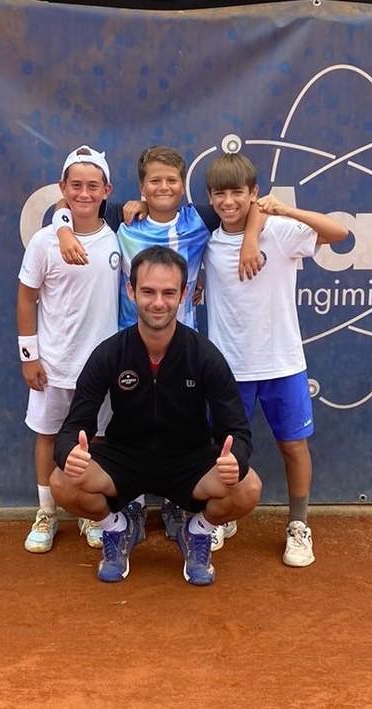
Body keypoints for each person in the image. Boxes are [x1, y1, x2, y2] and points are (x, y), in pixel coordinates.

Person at [51, 145, 264, 540]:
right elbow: (71, 206)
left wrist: (252, 238)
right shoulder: (120, 216)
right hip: (131, 342)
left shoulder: (200, 216)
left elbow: (255, 204)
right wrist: (63, 228)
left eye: (172, 180)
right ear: (141, 188)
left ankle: (185, 513)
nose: (163, 187)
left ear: (183, 187)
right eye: (155, 181)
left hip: (183, 345)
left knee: (191, 427)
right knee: (116, 429)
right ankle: (123, 511)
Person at [51, 246, 262, 585]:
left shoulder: (205, 356)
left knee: (248, 487)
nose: (158, 302)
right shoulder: (110, 353)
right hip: (124, 460)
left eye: (168, 292)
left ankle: (197, 531)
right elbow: (74, 426)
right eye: (148, 291)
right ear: (131, 291)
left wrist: (235, 458)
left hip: (189, 463)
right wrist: (68, 453)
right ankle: (116, 529)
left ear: (184, 294)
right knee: (62, 481)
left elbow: (237, 429)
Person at [202, 151, 349, 567]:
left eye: (237, 193)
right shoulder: (209, 243)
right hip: (228, 368)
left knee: (293, 446)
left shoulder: (281, 231)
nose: (228, 202)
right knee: (223, 450)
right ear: (210, 198)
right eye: (219, 194)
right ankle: (222, 516)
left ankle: (298, 525)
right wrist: (249, 233)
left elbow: (339, 233)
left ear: (254, 194)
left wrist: (280, 209)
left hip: (283, 364)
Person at [17, 146, 120, 553]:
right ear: (63, 188)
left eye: (92, 186)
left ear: (106, 190)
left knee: (94, 441)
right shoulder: (44, 242)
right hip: (53, 365)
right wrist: (30, 357)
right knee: (47, 436)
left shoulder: (117, 237)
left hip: (102, 371)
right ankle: (46, 512)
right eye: (75, 185)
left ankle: (89, 512)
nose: (83, 193)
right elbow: (26, 299)